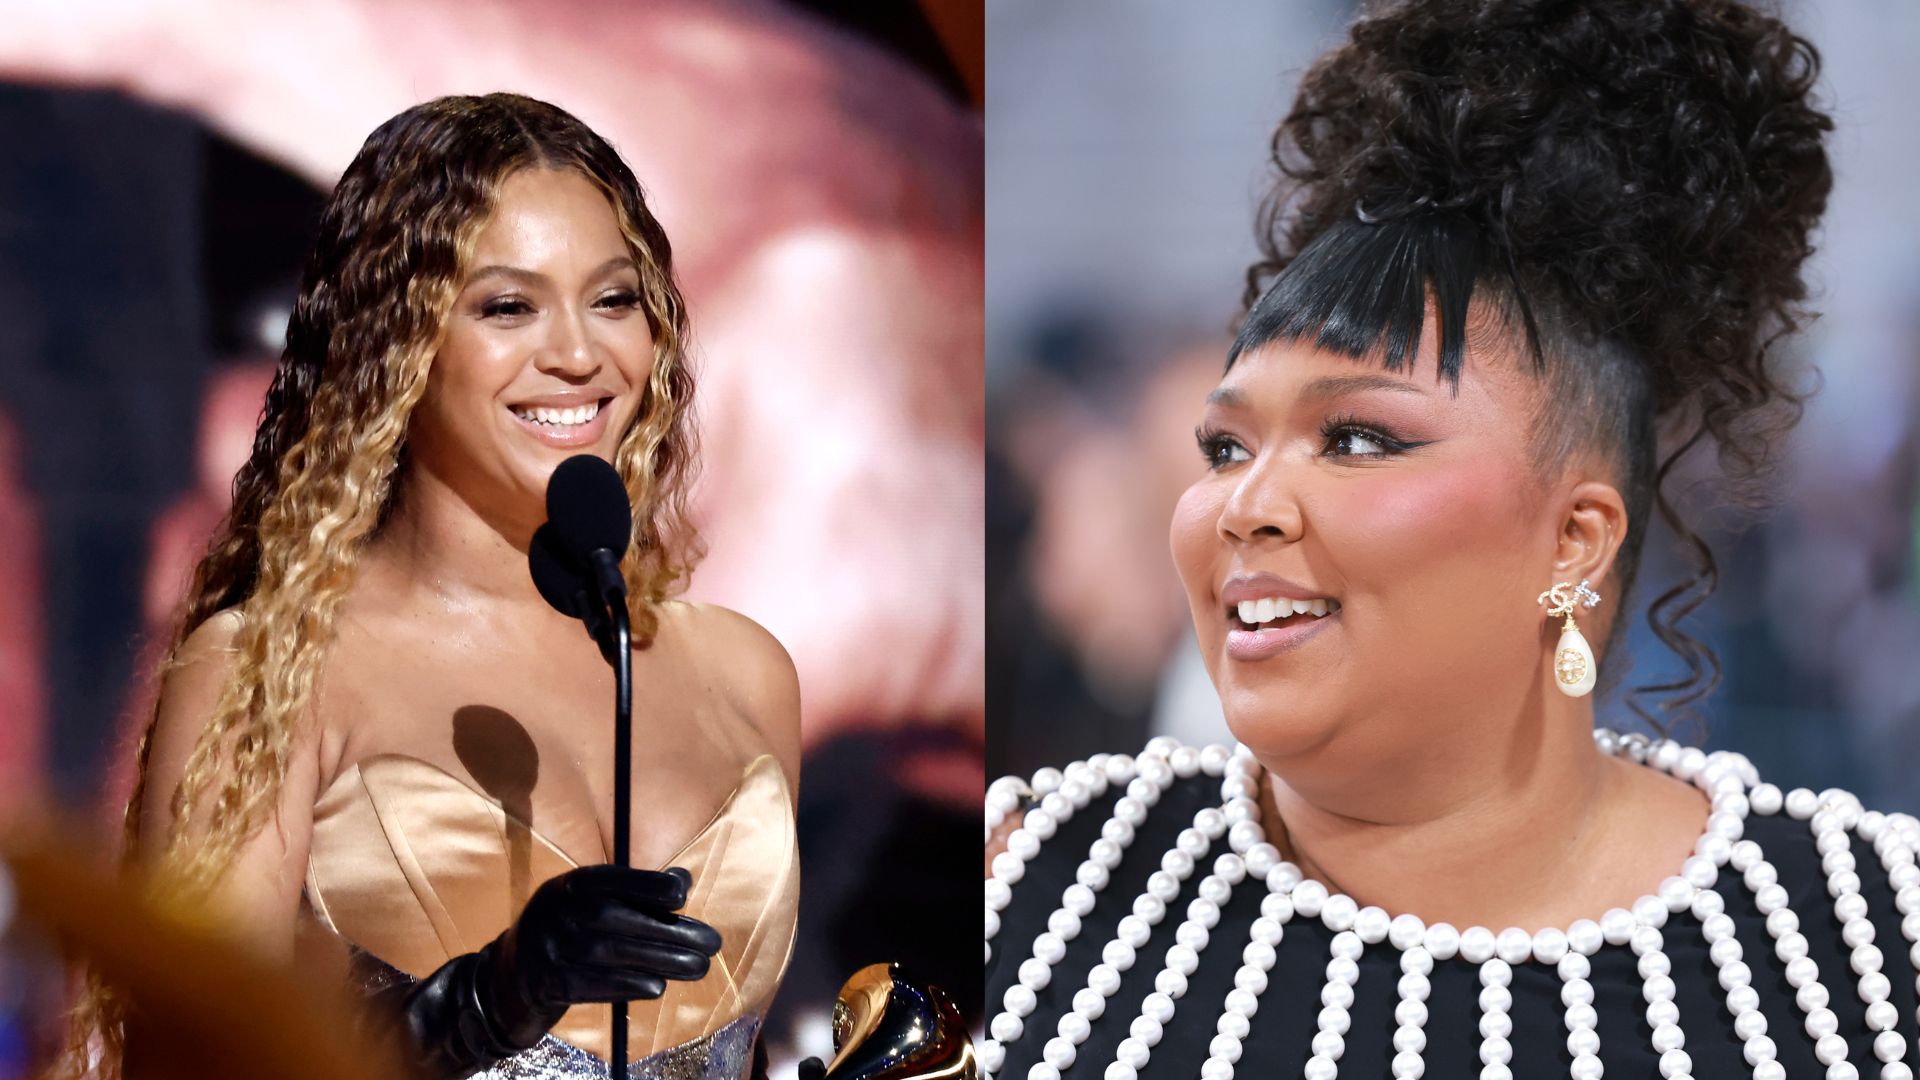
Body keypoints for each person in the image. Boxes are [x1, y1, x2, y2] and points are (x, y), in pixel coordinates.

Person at [985, 2, 1920, 1078]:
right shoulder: (1029, 884)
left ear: (1576, 540)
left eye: (1356, 438)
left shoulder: (1865, 938)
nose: (1247, 505)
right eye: (1226, 447)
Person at [58, 93, 802, 1080]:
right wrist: (472, 1008)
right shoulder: (268, 667)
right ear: (394, 345)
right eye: (508, 306)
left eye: (615, 299)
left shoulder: (746, 670)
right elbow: (188, 1060)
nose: (580, 354)